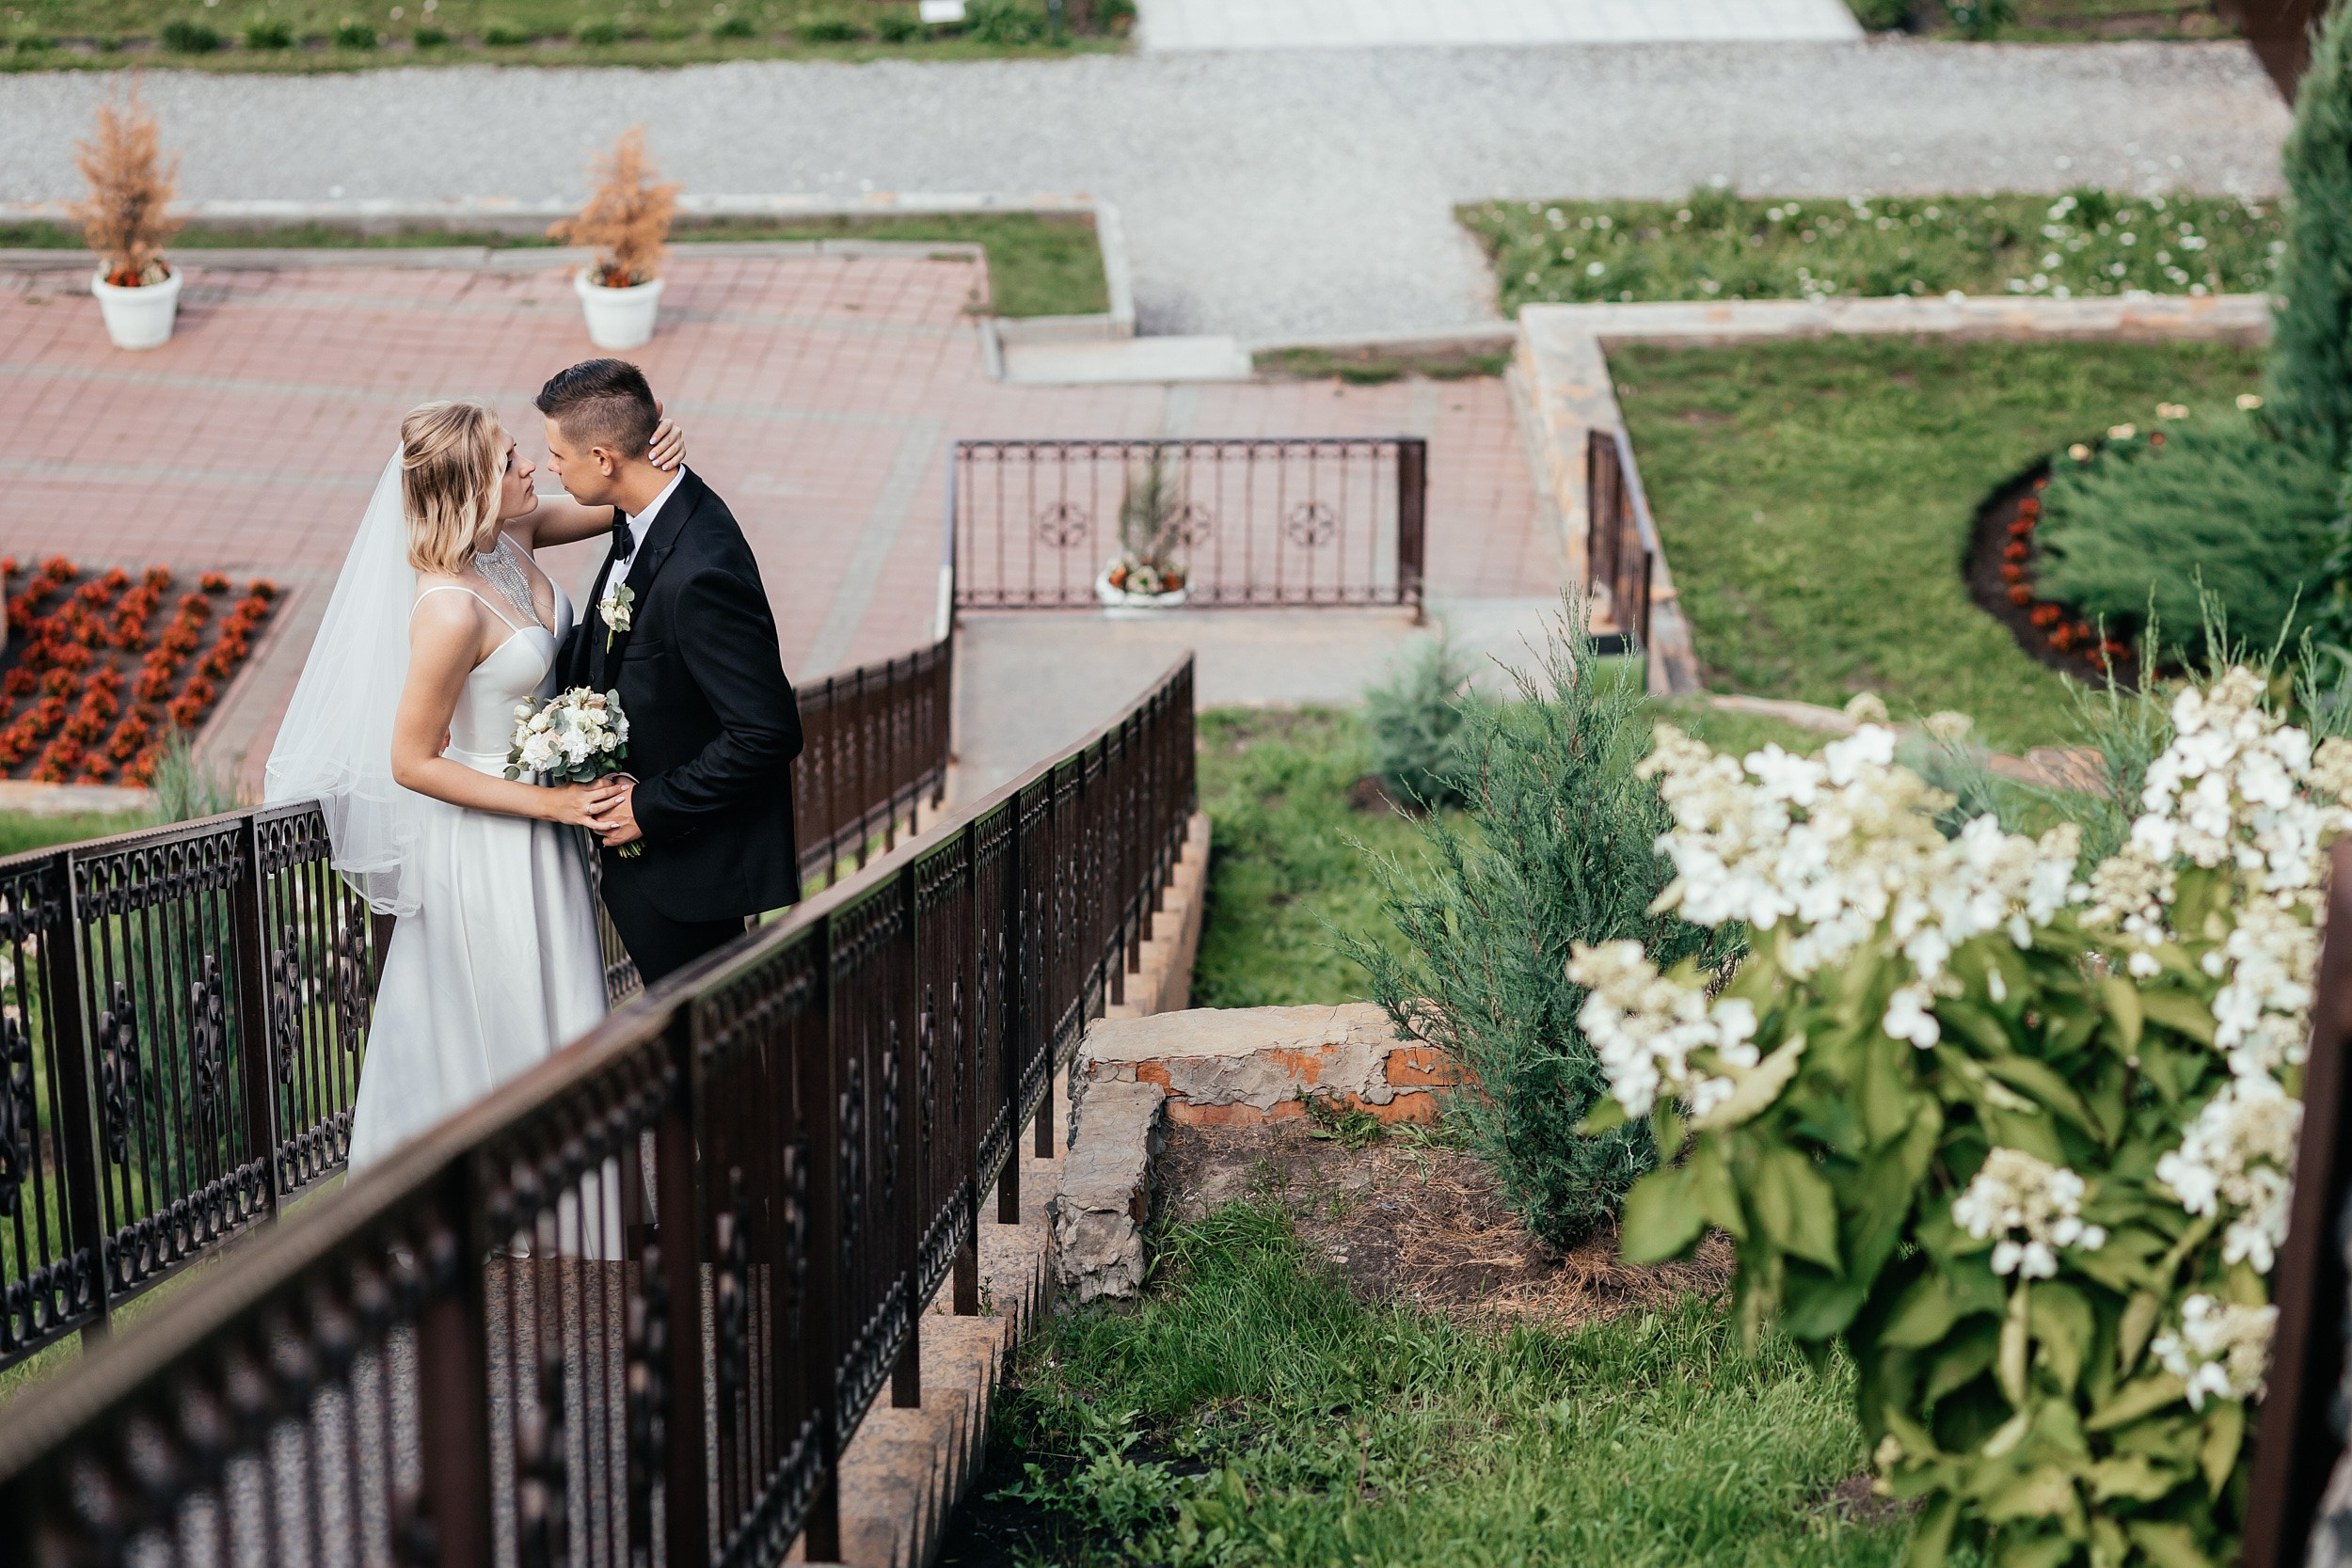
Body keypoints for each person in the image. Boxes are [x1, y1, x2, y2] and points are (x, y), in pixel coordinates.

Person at [264, 399, 686, 1170]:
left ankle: (572, 1199)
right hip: (490, 842)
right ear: (469, 489)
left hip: (545, 832)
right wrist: (553, 802)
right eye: (508, 461)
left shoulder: (510, 535)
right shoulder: (448, 609)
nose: (530, 467)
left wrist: (650, 453)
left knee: (561, 1009)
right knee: (505, 1022)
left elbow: (618, 498)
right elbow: (411, 761)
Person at [539, 358, 805, 987]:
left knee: (712, 1038)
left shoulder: (701, 571)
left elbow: (767, 732)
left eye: (556, 455)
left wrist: (648, 806)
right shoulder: (648, 512)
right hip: (654, 868)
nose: (550, 467)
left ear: (603, 459)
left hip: (687, 873)